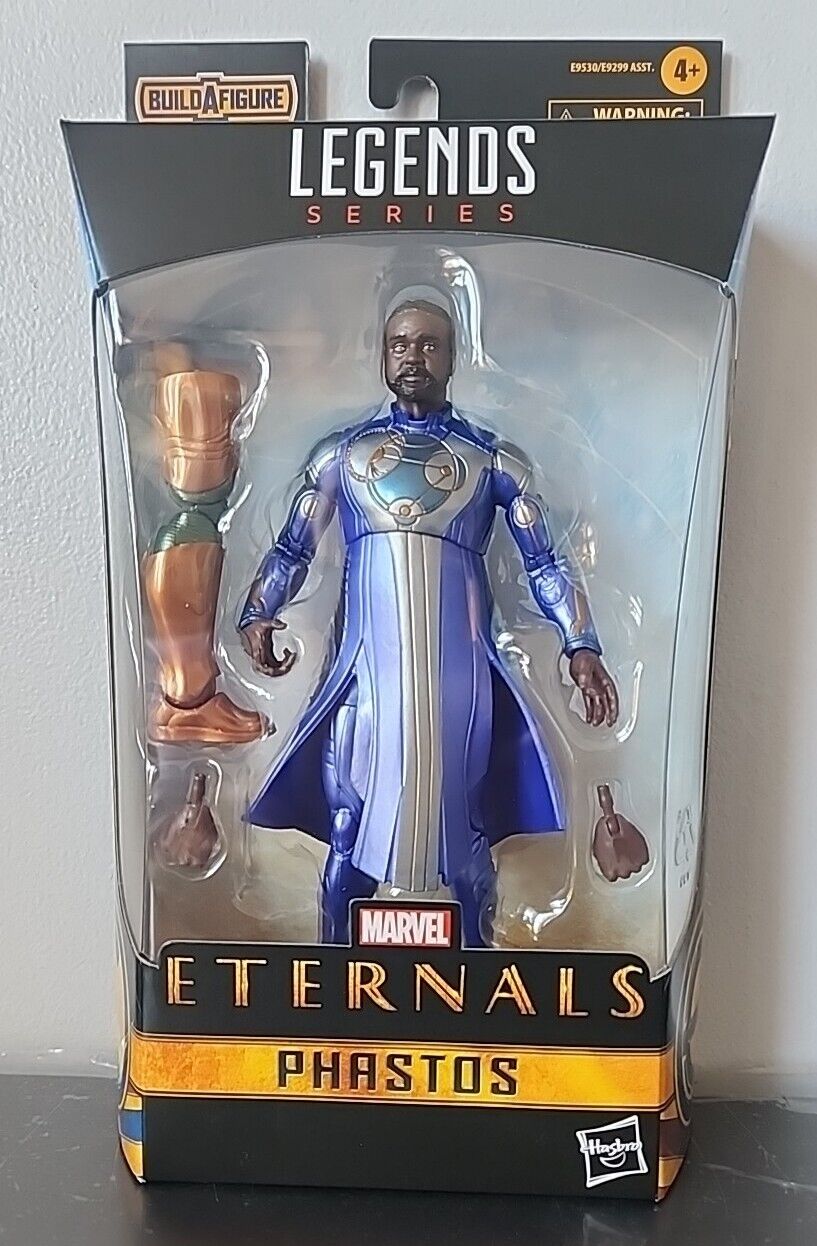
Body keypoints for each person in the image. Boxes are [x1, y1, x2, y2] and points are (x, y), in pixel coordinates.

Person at [239, 298, 618, 945]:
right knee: (350, 821)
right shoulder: (342, 456)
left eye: (428, 344)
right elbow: (293, 547)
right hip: (364, 674)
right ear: (383, 354)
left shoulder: (492, 462)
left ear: (452, 356)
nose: (413, 356)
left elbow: (546, 562)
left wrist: (579, 644)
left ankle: (476, 967)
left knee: (464, 831)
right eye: (400, 343)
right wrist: (259, 610)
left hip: (458, 678)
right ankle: (333, 969)